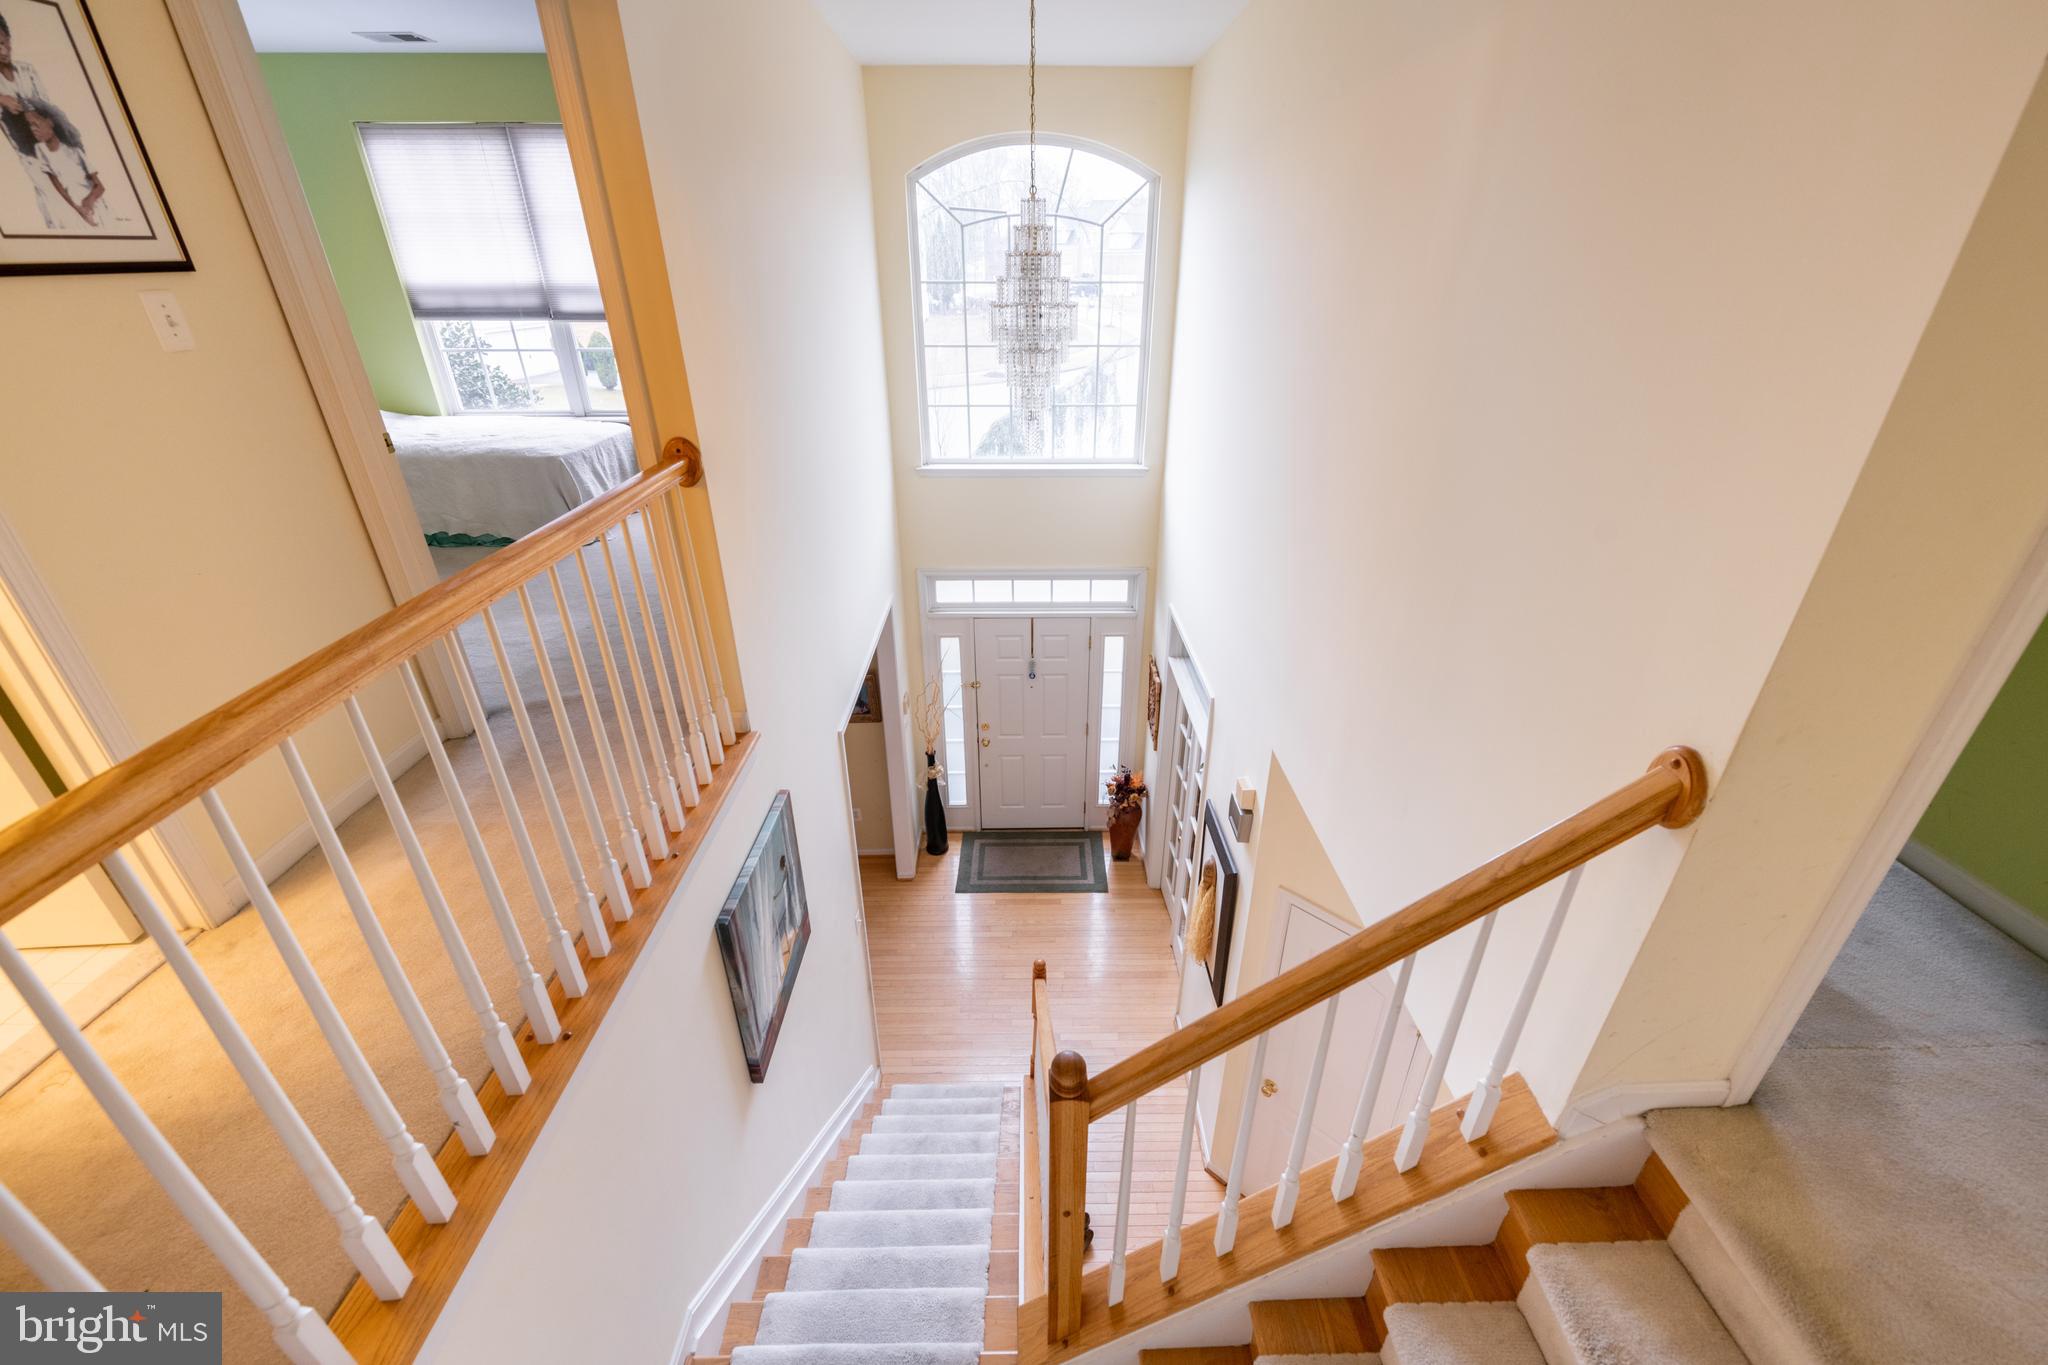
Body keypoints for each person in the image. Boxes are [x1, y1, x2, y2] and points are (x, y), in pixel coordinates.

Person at [23, 97, 100, 226]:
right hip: (77, 208)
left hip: (92, 206)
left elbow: (100, 187)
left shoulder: (75, 151)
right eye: (29, 125)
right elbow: (58, 187)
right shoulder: (40, 150)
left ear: (50, 122)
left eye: (36, 123)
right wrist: (78, 209)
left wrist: (89, 200)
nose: (33, 129)